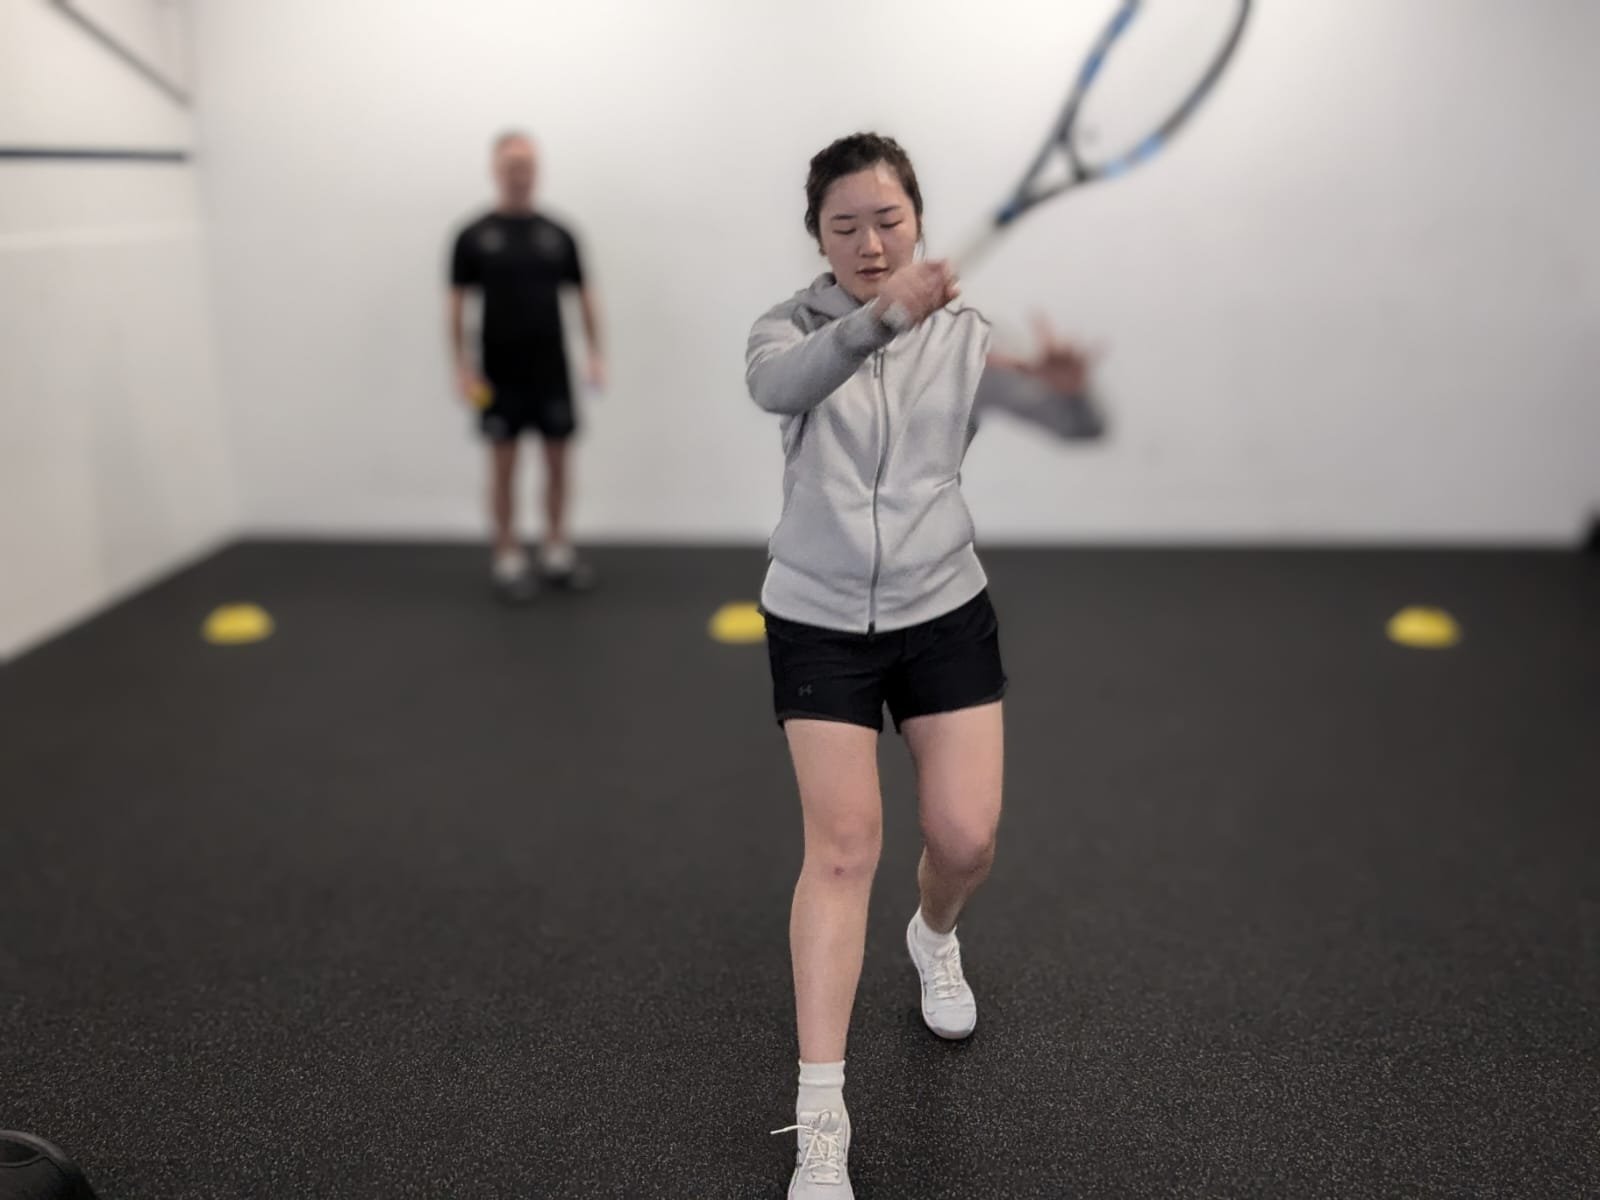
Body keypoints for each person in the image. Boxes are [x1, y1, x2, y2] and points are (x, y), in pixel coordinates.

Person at [747, 132, 1098, 1198]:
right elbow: (785, 387)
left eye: (887, 220)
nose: (868, 239)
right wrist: (883, 313)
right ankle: (820, 1120)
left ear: (918, 223)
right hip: (816, 619)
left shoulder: (962, 333)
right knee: (844, 848)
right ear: (817, 235)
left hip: (941, 609)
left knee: (963, 836)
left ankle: (932, 936)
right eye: (844, 224)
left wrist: (1071, 394)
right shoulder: (784, 330)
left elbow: (1058, 421)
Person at [448, 130, 605, 600]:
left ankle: (556, 549)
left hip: (550, 368)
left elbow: (585, 297)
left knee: (558, 461)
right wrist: (461, 366)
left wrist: (595, 355)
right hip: (498, 371)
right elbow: (456, 305)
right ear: (497, 169)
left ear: (536, 170)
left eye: (527, 163)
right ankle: (508, 555)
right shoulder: (473, 237)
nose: (520, 171)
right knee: (503, 464)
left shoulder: (558, 235)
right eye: (511, 163)